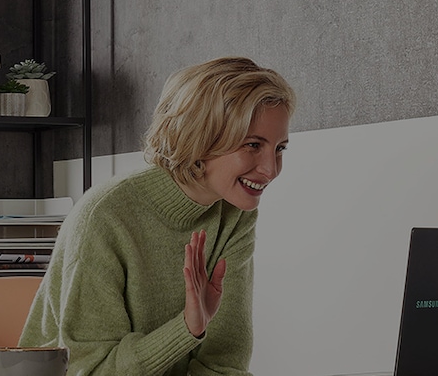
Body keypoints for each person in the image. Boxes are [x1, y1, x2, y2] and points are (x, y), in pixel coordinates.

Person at [19, 56, 295, 376]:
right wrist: (187, 328)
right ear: (201, 137)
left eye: (280, 149)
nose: (270, 170)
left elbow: (223, 362)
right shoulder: (106, 216)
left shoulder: (235, 215)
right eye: (252, 145)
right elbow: (91, 370)